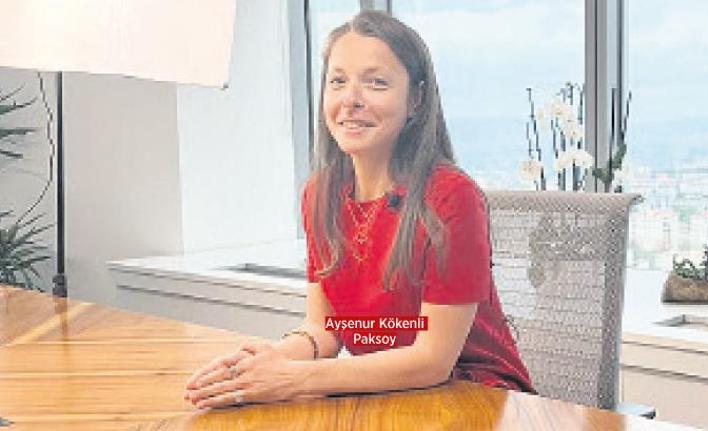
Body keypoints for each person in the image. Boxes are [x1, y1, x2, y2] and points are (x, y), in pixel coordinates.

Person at [184, 10, 533, 409]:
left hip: (477, 397)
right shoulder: (320, 193)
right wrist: (264, 363)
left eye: (376, 83)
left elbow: (433, 360)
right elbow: (325, 329)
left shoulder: (451, 196)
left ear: (415, 99)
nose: (350, 100)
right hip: (390, 397)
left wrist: (292, 379)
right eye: (337, 81)